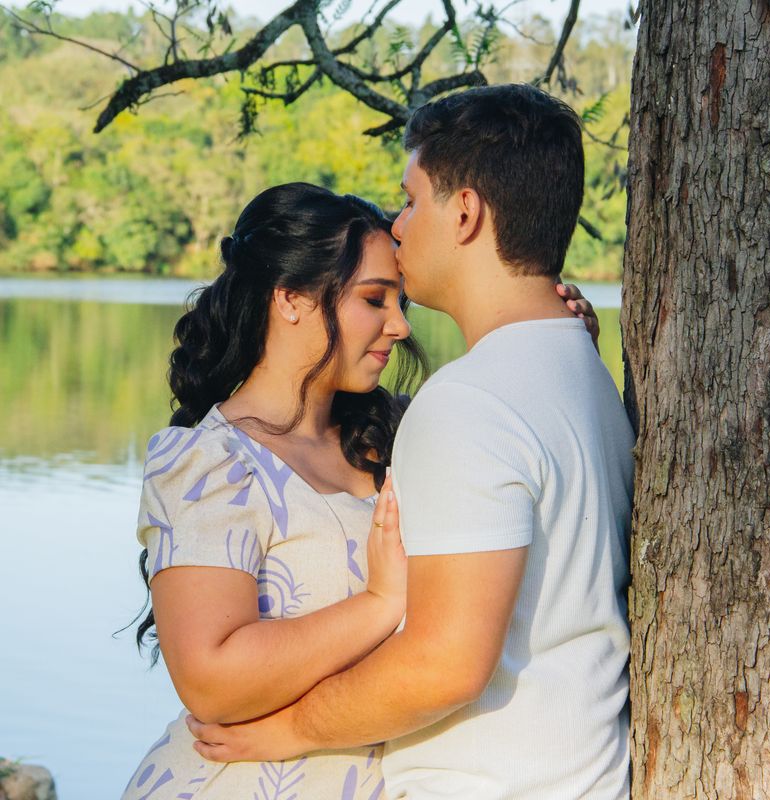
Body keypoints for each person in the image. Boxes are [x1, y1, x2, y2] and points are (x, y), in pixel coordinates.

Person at [188, 84, 635, 800]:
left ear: (465, 214)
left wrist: (291, 730)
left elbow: (445, 664)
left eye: (412, 198)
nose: (398, 225)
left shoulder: (468, 403)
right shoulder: (586, 369)